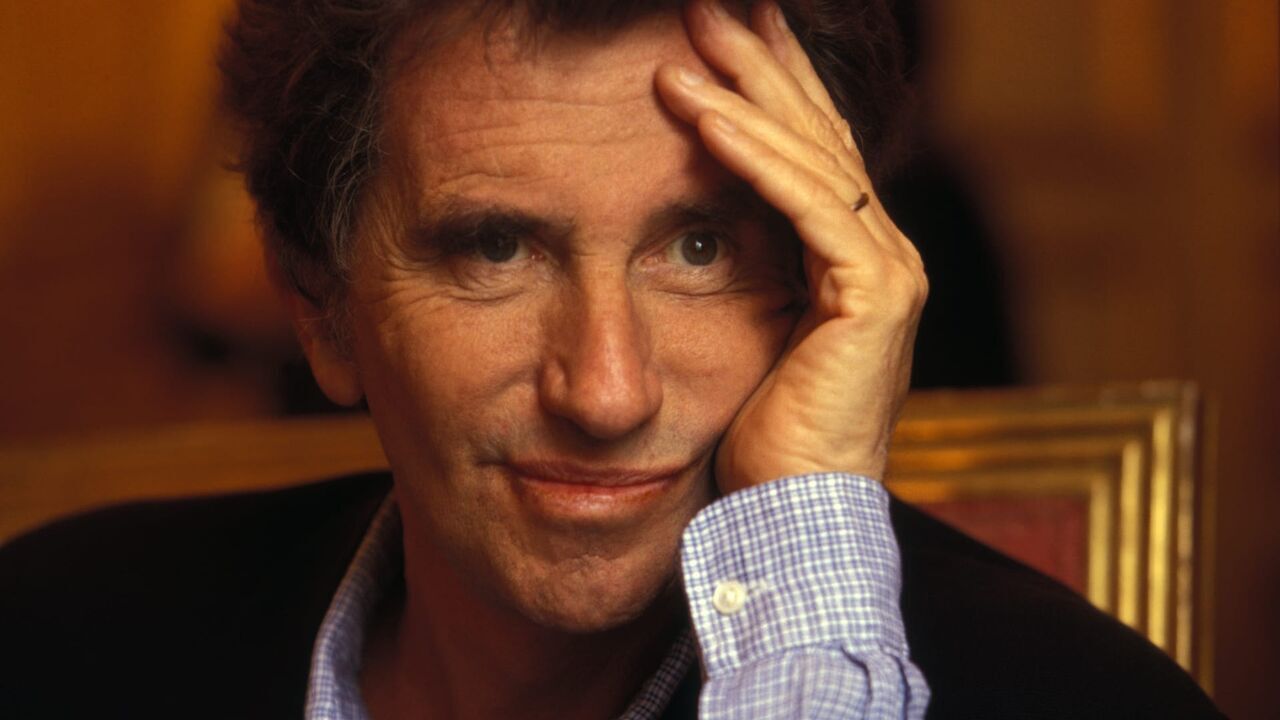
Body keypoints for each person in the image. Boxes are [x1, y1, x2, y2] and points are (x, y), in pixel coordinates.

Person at [0, 1, 1222, 718]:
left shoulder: (1089, 705)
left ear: (828, 280)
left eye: (699, 249)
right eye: (495, 248)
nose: (606, 390)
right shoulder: (54, 642)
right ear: (318, 303)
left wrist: (802, 635)